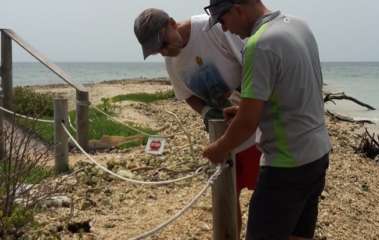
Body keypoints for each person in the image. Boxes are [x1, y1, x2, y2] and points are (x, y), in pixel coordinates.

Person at [202, 0, 332, 239]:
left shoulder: (258, 45)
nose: (226, 29)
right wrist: (244, 107)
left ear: (237, 9)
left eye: (222, 20)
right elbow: (294, 89)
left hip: (286, 166)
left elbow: (247, 123)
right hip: (318, 155)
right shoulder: (298, 25)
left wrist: (218, 149)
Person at [133, 8, 261, 233]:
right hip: (223, 136)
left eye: (163, 44)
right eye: (156, 51)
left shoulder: (212, 28)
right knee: (228, 197)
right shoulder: (172, 63)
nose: (164, 52)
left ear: (172, 23)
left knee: (268, 198)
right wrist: (206, 112)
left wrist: (246, 103)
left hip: (257, 129)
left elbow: (253, 62)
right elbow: (186, 95)